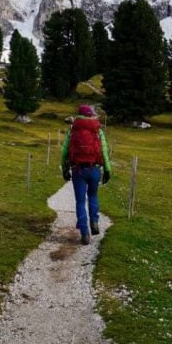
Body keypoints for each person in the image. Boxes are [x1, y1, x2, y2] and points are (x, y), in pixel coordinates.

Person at [61, 104, 111, 245]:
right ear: (90, 115)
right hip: (94, 169)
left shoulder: (73, 130)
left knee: (80, 201)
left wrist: (64, 169)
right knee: (93, 196)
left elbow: (64, 152)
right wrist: (107, 170)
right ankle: (94, 221)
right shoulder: (97, 131)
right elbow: (104, 152)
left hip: (78, 170)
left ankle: (84, 233)